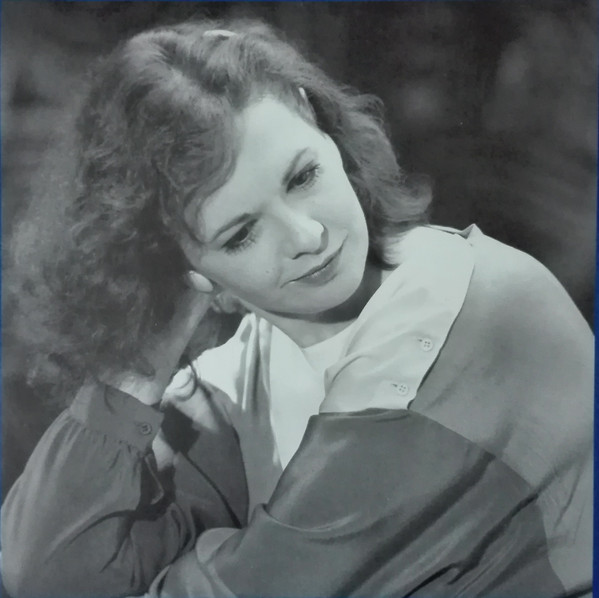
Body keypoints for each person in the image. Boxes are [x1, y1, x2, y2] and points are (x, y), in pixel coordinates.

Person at [1, 18, 593, 598]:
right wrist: (141, 365)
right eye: (241, 235)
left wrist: (209, 551)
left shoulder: (462, 313)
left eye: (303, 176)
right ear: (189, 272)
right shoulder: (249, 373)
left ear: (320, 122)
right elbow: (49, 576)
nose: (307, 235)